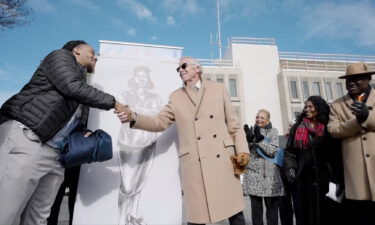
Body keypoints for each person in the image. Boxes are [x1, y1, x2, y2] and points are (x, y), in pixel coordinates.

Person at [0, 40, 129, 225]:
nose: (95, 56)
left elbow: (71, 114)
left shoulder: (81, 82)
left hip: (55, 156)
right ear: (76, 50)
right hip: (29, 140)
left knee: (38, 217)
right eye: (91, 51)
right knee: (6, 210)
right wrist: (115, 103)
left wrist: (81, 133)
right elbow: (72, 87)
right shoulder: (60, 56)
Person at [117, 56, 250, 225]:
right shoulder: (176, 97)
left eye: (184, 66)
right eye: (178, 68)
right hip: (195, 163)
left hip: (222, 159)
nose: (180, 70)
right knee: (197, 217)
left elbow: (235, 125)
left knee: (235, 213)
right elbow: (159, 122)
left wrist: (243, 150)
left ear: (197, 69)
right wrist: (133, 116)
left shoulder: (218, 89)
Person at [328, 62, 375, 225]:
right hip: (355, 174)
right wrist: (357, 122)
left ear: (368, 79)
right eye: (349, 80)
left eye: (357, 79)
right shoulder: (336, 105)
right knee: (361, 216)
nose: (352, 83)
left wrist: (367, 117)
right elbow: (334, 130)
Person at [117, 65, 164, 225]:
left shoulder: (156, 98)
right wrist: (145, 112)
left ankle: (133, 214)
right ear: (133, 78)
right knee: (127, 185)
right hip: (128, 143)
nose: (142, 79)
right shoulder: (124, 94)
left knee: (139, 183)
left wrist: (138, 112)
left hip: (149, 142)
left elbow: (161, 118)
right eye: (139, 76)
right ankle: (121, 220)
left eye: (145, 76)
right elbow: (122, 111)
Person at [283, 96, 340, 225]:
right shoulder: (297, 127)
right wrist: (290, 167)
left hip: (326, 179)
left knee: (327, 214)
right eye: (305, 106)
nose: (306, 109)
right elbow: (289, 151)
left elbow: (336, 153)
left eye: (310, 107)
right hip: (304, 179)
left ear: (319, 108)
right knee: (305, 215)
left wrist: (336, 177)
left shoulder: (328, 127)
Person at [242, 109, 285, 225]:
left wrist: (260, 139)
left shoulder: (273, 132)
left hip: (270, 177)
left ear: (268, 120)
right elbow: (246, 153)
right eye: (257, 117)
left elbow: (272, 152)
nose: (258, 119)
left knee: (272, 212)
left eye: (262, 117)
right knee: (256, 212)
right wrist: (249, 140)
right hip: (253, 176)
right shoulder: (251, 130)